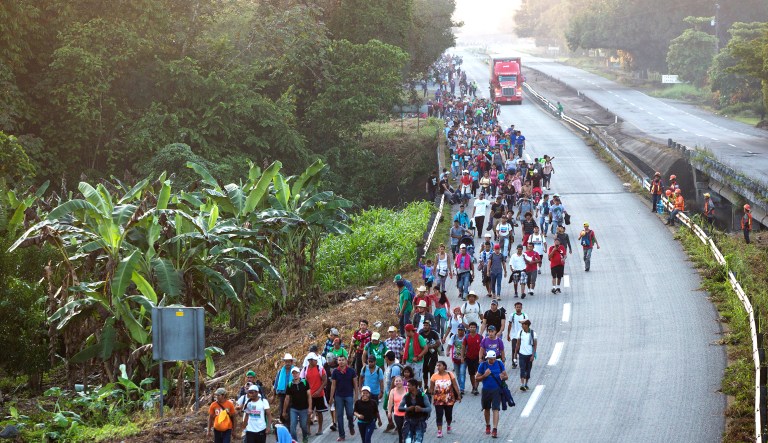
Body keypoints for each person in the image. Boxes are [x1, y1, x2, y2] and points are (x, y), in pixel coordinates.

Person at [475, 350, 508, 438]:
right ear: (487, 358)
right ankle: (488, 425)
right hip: (486, 390)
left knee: (496, 409)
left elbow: (506, 376)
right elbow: (477, 378)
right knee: (486, 409)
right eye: (490, 359)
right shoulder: (483, 365)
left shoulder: (499, 364)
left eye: (493, 359)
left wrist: (503, 377)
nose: (492, 361)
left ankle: (495, 429)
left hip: (496, 390)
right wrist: (484, 375)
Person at [330, 355, 358, 441]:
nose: (341, 362)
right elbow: (333, 385)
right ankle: (342, 435)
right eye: (339, 360)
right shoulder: (335, 372)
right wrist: (331, 397)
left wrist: (356, 396)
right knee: (339, 416)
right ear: (337, 362)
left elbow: (355, 385)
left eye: (342, 360)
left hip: (349, 395)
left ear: (346, 361)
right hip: (338, 396)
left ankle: (351, 425)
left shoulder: (351, 371)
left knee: (350, 413)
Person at [429, 361, 461, 438]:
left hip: (449, 399)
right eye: (437, 365)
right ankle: (439, 431)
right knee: (439, 415)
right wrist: (431, 393)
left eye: (439, 365)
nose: (437, 367)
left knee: (448, 414)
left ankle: (448, 424)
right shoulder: (434, 376)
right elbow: (431, 389)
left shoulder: (450, 374)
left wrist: (459, 395)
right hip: (438, 400)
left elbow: (455, 385)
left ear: (444, 366)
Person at [398, 379, 433, 443]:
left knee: (418, 441)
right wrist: (408, 409)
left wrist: (421, 409)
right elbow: (400, 408)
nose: (407, 387)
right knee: (407, 441)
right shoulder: (406, 396)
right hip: (408, 421)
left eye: (409, 386)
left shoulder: (423, 395)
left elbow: (429, 408)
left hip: (420, 421)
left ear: (414, 386)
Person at [301, 353, 327, 436]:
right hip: (309, 396)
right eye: (314, 360)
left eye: (316, 360)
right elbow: (303, 381)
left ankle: (320, 429)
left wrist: (319, 390)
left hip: (319, 394)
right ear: (310, 361)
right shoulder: (305, 369)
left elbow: (325, 380)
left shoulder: (320, 368)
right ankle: (308, 429)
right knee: (308, 413)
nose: (316, 361)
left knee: (319, 412)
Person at [283, 367, 311, 443]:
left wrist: (310, 408)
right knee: (292, 427)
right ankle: (295, 441)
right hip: (294, 408)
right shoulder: (289, 385)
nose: (295, 374)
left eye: (296, 373)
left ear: (299, 373)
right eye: (293, 373)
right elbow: (287, 398)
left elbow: (309, 396)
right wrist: (284, 411)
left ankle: (305, 437)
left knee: (303, 426)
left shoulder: (305, 382)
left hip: (304, 408)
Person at [273, 354, 297, 423]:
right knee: (282, 411)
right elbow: (276, 384)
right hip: (282, 394)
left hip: (292, 395)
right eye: (286, 362)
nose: (287, 363)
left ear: (291, 362)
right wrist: (274, 396)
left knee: (291, 411)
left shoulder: (295, 371)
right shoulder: (280, 372)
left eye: (289, 362)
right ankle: (284, 424)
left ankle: (290, 426)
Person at [515, 318, 537, 392]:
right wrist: (515, 354)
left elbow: (535, 345)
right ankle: (522, 384)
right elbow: (518, 344)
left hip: (529, 355)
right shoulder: (520, 332)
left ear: (527, 325)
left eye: (523, 324)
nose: (522, 326)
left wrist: (533, 355)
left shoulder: (533, 333)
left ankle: (526, 383)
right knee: (522, 369)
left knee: (528, 370)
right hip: (522, 354)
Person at [461, 322, 483, 396]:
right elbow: (463, 347)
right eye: (471, 327)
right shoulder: (466, 337)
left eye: (474, 327)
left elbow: (483, 348)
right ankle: (473, 387)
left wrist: (482, 357)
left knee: (478, 373)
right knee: (471, 374)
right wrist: (462, 357)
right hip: (469, 358)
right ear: (469, 328)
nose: (472, 328)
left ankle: (476, 387)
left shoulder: (480, 337)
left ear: (476, 328)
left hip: (478, 358)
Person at [506, 302, 528, 369]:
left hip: (522, 336)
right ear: (515, 307)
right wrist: (508, 334)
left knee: (521, 349)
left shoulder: (525, 316)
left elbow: (527, 326)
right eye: (517, 307)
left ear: (521, 308)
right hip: (514, 335)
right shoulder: (512, 315)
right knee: (513, 349)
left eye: (519, 307)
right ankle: (514, 362)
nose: (518, 308)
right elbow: (509, 325)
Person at [387, 376, 407, 442]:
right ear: (394, 382)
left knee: (406, 430)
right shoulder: (392, 391)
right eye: (396, 381)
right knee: (400, 430)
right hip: (397, 414)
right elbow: (390, 403)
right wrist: (389, 412)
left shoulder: (407, 389)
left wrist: (423, 394)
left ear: (403, 382)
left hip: (407, 414)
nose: (398, 382)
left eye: (399, 381)